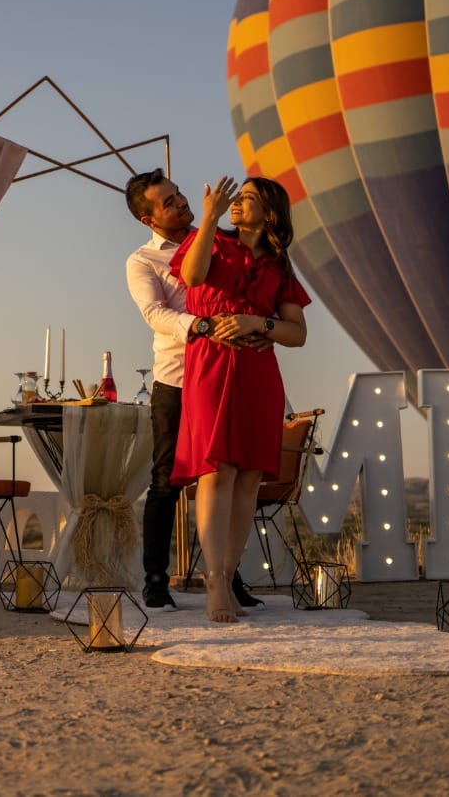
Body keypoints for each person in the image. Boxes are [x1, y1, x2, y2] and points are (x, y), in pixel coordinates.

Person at [123, 168, 270, 611]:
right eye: (168, 202)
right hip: (179, 379)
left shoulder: (224, 241)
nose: (182, 203)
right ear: (148, 219)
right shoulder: (142, 262)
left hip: (231, 373)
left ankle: (226, 577)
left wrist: (264, 327)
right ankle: (155, 579)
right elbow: (155, 314)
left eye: (179, 194)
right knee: (167, 480)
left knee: (232, 472)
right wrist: (204, 326)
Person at [170, 175, 309, 623]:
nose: (236, 203)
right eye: (236, 197)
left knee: (249, 475)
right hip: (210, 364)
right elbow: (191, 276)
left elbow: (297, 333)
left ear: (269, 212)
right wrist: (209, 215)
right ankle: (212, 578)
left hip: (258, 372)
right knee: (217, 469)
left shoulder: (280, 266)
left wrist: (258, 323)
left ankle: (227, 575)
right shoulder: (209, 239)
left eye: (247, 199)